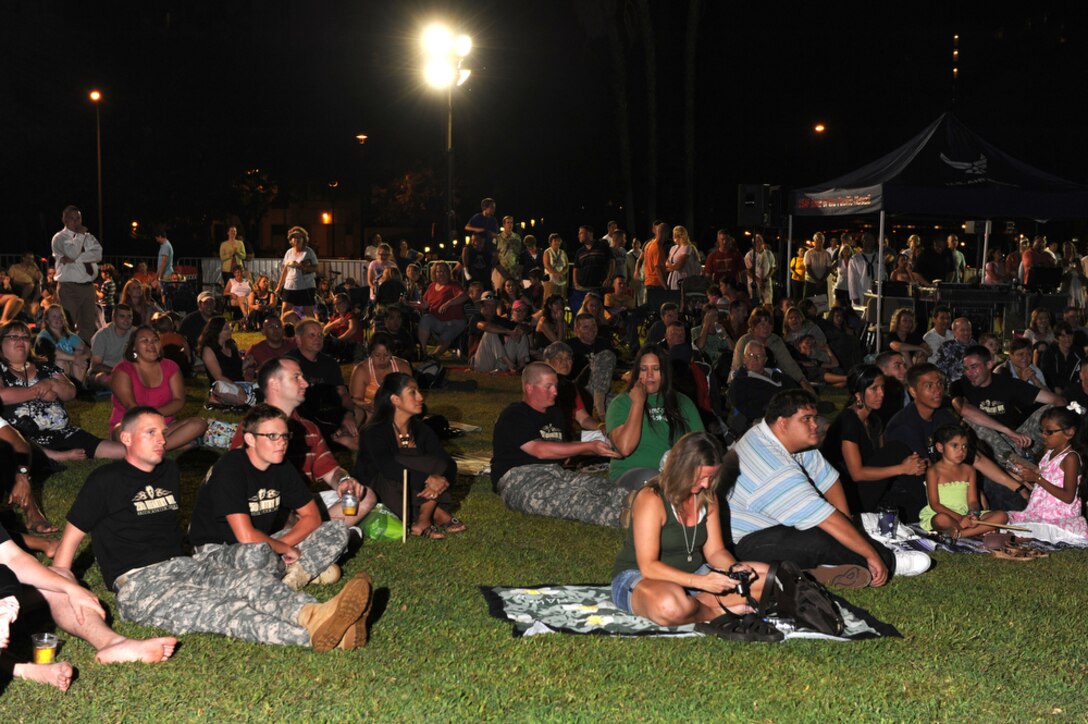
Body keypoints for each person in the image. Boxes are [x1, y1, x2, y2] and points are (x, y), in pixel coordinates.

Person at [51, 407, 374, 653]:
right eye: (150, 433)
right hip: (140, 584)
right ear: (125, 437)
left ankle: (314, 613)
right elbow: (66, 553)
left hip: (185, 566)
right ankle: (327, 635)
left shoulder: (168, 471)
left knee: (249, 582)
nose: (162, 439)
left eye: (163, 431)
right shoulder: (104, 481)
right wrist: (70, 589)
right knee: (223, 611)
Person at [729, 389, 932, 588]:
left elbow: (828, 480)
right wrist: (872, 554)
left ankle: (814, 569)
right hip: (745, 544)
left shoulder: (775, 436)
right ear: (783, 422)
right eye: (806, 419)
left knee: (838, 529)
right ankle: (890, 562)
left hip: (770, 525)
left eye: (814, 418)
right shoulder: (773, 467)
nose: (814, 425)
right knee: (822, 537)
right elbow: (827, 520)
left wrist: (850, 525)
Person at [611, 432, 770, 626]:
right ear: (681, 468)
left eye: (711, 477)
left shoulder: (708, 498)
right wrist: (699, 582)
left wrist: (733, 567)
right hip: (641, 578)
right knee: (668, 605)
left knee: (768, 577)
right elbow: (648, 566)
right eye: (701, 477)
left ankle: (695, 606)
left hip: (695, 579)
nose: (706, 484)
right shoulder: (651, 499)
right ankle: (715, 611)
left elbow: (716, 551)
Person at [190, 405, 349, 590]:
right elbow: (246, 536)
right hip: (217, 551)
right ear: (250, 439)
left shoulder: (281, 466)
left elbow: (312, 517)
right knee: (257, 555)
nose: (282, 442)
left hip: (264, 542)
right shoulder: (230, 468)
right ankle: (296, 569)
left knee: (338, 530)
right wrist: (285, 549)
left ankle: (291, 578)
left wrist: (281, 545)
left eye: (284, 436)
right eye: (272, 436)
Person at [231, 357, 374, 528]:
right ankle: (308, 535)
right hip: (266, 508)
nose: (305, 383)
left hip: (301, 506)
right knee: (279, 511)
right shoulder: (254, 427)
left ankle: (306, 534)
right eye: (296, 377)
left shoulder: (309, 428)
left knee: (365, 496)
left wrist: (344, 480)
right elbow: (239, 484)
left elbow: (331, 471)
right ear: (274, 384)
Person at [885, 363, 1027, 521]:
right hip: (916, 494)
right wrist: (971, 488)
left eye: (939, 383)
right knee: (988, 490)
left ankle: (1023, 520)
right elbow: (927, 472)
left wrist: (1018, 487)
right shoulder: (904, 426)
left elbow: (975, 457)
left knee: (999, 485)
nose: (937, 390)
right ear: (913, 391)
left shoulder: (942, 416)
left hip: (951, 482)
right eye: (929, 386)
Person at [491, 363, 625, 526]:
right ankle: (634, 519)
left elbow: (563, 450)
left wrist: (607, 447)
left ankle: (646, 502)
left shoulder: (555, 414)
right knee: (577, 499)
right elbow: (539, 450)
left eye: (555, 386)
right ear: (529, 388)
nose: (555, 392)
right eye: (548, 386)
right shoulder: (514, 415)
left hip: (554, 472)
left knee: (602, 486)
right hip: (520, 479)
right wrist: (588, 446)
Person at [354, 373, 465, 539]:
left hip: (413, 489)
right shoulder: (374, 431)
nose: (420, 397)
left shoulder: (421, 430)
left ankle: (423, 519)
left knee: (437, 464)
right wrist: (428, 478)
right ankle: (435, 513)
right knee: (402, 463)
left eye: (418, 391)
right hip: (380, 489)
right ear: (395, 399)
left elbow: (448, 463)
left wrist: (440, 482)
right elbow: (387, 467)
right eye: (412, 392)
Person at [0, 321, 125, 461]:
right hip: (22, 435)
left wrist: (51, 382)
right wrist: (39, 391)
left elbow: (71, 392)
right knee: (17, 443)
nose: (20, 341)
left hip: (62, 432)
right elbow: (2, 396)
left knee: (120, 451)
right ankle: (57, 456)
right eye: (14, 337)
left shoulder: (45, 366)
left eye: (25, 337)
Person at [821, 365, 927, 514]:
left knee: (910, 505)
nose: (882, 394)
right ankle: (933, 507)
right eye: (874, 389)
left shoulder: (875, 421)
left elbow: (880, 462)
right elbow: (856, 474)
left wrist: (915, 466)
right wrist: (903, 468)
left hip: (870, 489)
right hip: (846, 496)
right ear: (858, 394)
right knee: (896, 449)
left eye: (882, 387)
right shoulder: (848, 421)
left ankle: (933, 506)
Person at [606, 345, 704, 490]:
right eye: (644, 369)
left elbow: (701, 445)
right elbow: (624, 448)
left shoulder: (682, 402)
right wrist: (638, 403)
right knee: (653, 480)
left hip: (675, 474)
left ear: (664, 372)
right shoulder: (621, 403)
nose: (649, 375)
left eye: (656, 369)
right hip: (631, 475)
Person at [952, 344, 1064, 469]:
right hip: (986, 447)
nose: (969, 373)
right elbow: (963, 410)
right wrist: (1008, 431)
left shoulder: (1006, 383)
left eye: (974, 367)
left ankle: (1052, 458)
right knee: (970, 421)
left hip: (1016, 441)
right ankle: (1020, 465)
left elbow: (1058, 400)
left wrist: (1051, 438)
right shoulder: (961, 385)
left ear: (989, 364)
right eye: (966, 368)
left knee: (1053, 409)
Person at [109, 325, 206, 449]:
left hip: (164, 428)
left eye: (155, 340)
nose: (151, 344)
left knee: (199, 423)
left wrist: (156, 414)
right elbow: (131, 407)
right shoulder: (122, 370)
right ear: (134, 347)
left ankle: (156, 447)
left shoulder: (170, 366)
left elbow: (179, 400)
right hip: (131, 427)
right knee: (120, 431)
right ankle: (172, 444)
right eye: (145, 340)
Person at [1006, 406, 1088, 538]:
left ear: (1069, 433)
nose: (1042, 435)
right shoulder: (1049, 452)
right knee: (999, 517)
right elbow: (1041, 480)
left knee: (1013, 530)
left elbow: (1068, 496)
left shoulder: (1071, 458)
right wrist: (1023, 473)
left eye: (1049, 432)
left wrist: (1037, 478)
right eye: (1041, 430)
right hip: (1039, 511)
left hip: (1058, 516)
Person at [918, 425, 1005, 538]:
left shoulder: (969, 470)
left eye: (965, 446)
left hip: (966, 514)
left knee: (1002, 516)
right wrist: (960, 518)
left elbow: (973, 501)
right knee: (941, 520)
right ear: (940, 447)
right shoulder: (933, 471)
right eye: (955, 445)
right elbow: (935, 504)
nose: (961, 451)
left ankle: (961, 534)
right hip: (945, 514)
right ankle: (977, 532)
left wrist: (973, 515)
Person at [287, 320, 358, 448]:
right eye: (312, 335)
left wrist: (347, 414)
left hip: (330, 414)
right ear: (298, 339)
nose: (318, 339)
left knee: (356, 438)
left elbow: (342, 393)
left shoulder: (330, 363)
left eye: (320, 335)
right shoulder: (288, 363)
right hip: (302, 419)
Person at [730, 307, 813, 393]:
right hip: (749, 381)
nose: (766, 327)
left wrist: (802, 381)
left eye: (769, 324)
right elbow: (737, 367)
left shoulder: (775, 340)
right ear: (754, 326)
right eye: (762, 324)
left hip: (771, 377)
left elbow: (788, 363)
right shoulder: (744, 341)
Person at [51, 206, 101, 343]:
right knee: (67, 323)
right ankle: (64, 356)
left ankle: (82, 356)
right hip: (69, 288)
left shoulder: (89, 237)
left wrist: (77, 259)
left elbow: (98, 254)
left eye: (78, 218)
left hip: (88, 287)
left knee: (88, 325)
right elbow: (71, 252)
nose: (76, 222)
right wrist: (79, 236)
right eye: (72, 218)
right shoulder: (59, 238)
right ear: (64, 220)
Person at [349, 333, 411, 424]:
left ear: (392, 354)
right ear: (370, 354)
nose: (382, 359)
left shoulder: (402, 367)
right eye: (377, 355)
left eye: (386, 355)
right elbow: (354, 399)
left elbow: (410, 394)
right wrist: (366, 405)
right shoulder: (362, 370)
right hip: (370, 414)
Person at [198, 316, 255, 408]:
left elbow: (236, 368)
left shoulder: (231, 345)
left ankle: (245, 401)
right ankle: (246, 401)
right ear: (217, 332)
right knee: (222, 388)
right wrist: (237, 387)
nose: (231, 330)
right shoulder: (208, 350)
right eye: (226, 329)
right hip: (224, 385)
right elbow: (218, 377)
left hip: (239, 384)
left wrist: (247, 362)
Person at [414, 262, 468, 358]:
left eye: (444, 271)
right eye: (438, 271)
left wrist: (448, 303)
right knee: (425, 319)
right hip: (438, 321)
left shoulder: (454, 285)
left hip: (454, 321)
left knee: (446, 335)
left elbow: (464, 296)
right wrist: (409, 303)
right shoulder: (431, 286)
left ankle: (435, 355)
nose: (441, 273)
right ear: (434, 273)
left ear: (448, 272)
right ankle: (423, 351)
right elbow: (424, 304)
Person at [35, 304, 90, 385]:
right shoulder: (43, 337)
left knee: (80, 356)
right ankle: (65, 391)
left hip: (69, 369)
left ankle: (78, 389)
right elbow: (54, 353)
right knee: (61, 361)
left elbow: (86, 349)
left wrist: (82, 357)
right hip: (47, 373)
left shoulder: (69, 335)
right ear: (47, 320)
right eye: (54, 316)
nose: (59, 318)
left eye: (61, 315)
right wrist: (75, 358)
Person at [275, 226, 318, 319]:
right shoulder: (288, 252)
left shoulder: (309, 251)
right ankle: (284, 332)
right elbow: (285, 270)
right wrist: (279, 286)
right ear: (291, 240)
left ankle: (313, 331)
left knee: (308, 312)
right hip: (290, 285)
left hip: (306, 286)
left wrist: (302, 267)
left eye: (299, 237)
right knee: (285, 310)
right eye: (294, 237)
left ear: (304, 239)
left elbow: (315, 268)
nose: (297, 239)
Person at [1038, 322, 1082, 395]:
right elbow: (1047, 375)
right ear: (1057, 338)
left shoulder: (1078, 353)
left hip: (1074, 391)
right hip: (1052, 392)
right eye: (1063, 336)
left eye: (1069, 335)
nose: (1067, 339)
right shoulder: (1049, 354)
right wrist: (1055, 387)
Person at [322, 293, 365, 363]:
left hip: (353, 346)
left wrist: (338, 340)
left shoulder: (350, 315)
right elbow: (325, 330)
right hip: (342, 346)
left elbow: (352, 329)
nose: (336, 306)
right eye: (334, 304)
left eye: (339, 303)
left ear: (346, 303)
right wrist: (336, 322)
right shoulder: (336, 317)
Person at [934, 317, 974, 382]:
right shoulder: (946, 347)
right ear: (954, 332)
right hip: (953, 387)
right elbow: (939, 372)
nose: (966, 333)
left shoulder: (977, 346)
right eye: (962, 330)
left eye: (968, 329)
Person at [847, 232, 882, 306]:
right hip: (861, 293)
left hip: (876, 294)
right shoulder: (855, 259)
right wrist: (854, 296)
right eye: (866, 239)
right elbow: (851, 279)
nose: (869, 241)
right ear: (862, 241)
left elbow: (883, 275)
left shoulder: (879, 257)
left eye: (871, 239)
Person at [744, 234, 775, 305]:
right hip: (754, 284)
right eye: (756, 242)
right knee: (756, 304)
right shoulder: (749, 255)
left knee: (768, 303)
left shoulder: (769, 253)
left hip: (766, 283)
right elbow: (748, 271)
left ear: (763, 242)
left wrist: (767, 277)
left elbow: (773, 267)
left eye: (759, 241)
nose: (758, 243)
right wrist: (759, 281)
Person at [665, 225, 697, 291]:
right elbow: (666, 263)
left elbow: (679, 266)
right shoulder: (673, 248)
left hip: (682, 279)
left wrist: (671, 266)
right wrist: (672, 266)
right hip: (672, 280)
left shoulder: (687, 247)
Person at [803, 232, 832, 298]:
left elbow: (829, 268)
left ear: (823, 241)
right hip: (810, 281)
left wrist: (821, 280)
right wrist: (817, 280)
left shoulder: (827, 254)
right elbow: (807, 267)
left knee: (822, 303)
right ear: (814, 241)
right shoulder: (808, 253)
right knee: (808, 302)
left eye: (821, 239)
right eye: (817, 239)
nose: (819, 241)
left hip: (823, 282)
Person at [542, 233, 569, 301]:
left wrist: (561, 273)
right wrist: (555, 274)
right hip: (550, 278)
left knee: (561, 297)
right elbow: (547, 265)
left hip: (561, 278)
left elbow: (566, 265)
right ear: (551, 242)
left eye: (558, 240)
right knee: (549, 297)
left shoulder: (563, 252)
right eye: (555, 241)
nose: (557, 242)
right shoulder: (547, 252)